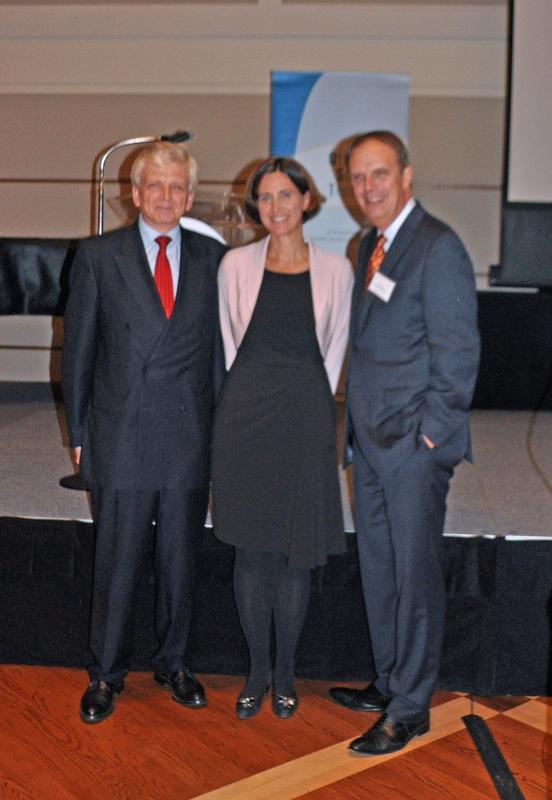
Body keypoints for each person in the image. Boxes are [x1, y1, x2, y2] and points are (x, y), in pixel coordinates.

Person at [62, 141, 226, 724]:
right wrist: (79, 431)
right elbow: (78, 353)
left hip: (187, 433)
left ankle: (174, 662)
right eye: (154, 185)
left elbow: (218, 357)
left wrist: (221, 433)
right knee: (119, 559)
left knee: (180, 559)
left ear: (189, 194)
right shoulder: (98, 255)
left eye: (176, 186)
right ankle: (106, 674)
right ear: (134, 194)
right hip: (119, 433)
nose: (165, 196)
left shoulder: (212, 256)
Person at [329, 131, 480, 755]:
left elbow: (458, 352)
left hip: (414, 443)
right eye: (358, 177)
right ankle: (391, 680)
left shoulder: (438, 246)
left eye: (379, 174)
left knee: (414, 576)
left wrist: (430, 435)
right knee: (380, 567)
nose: (367, 188)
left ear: (407, 175)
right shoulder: (370, 243)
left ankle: (412, 707)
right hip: (369, 438)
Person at [211, 157, 353, 719]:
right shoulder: (234, 264)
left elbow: (336, 347)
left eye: (285, 196)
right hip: (245, 417)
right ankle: (257, 671)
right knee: (251, 551)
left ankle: (288, 673)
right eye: (265, 198)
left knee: (296, 555)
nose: (275, 207)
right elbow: (228, 341)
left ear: (306, 199)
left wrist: (321, 413)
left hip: (307, 415)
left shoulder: (337, 269)